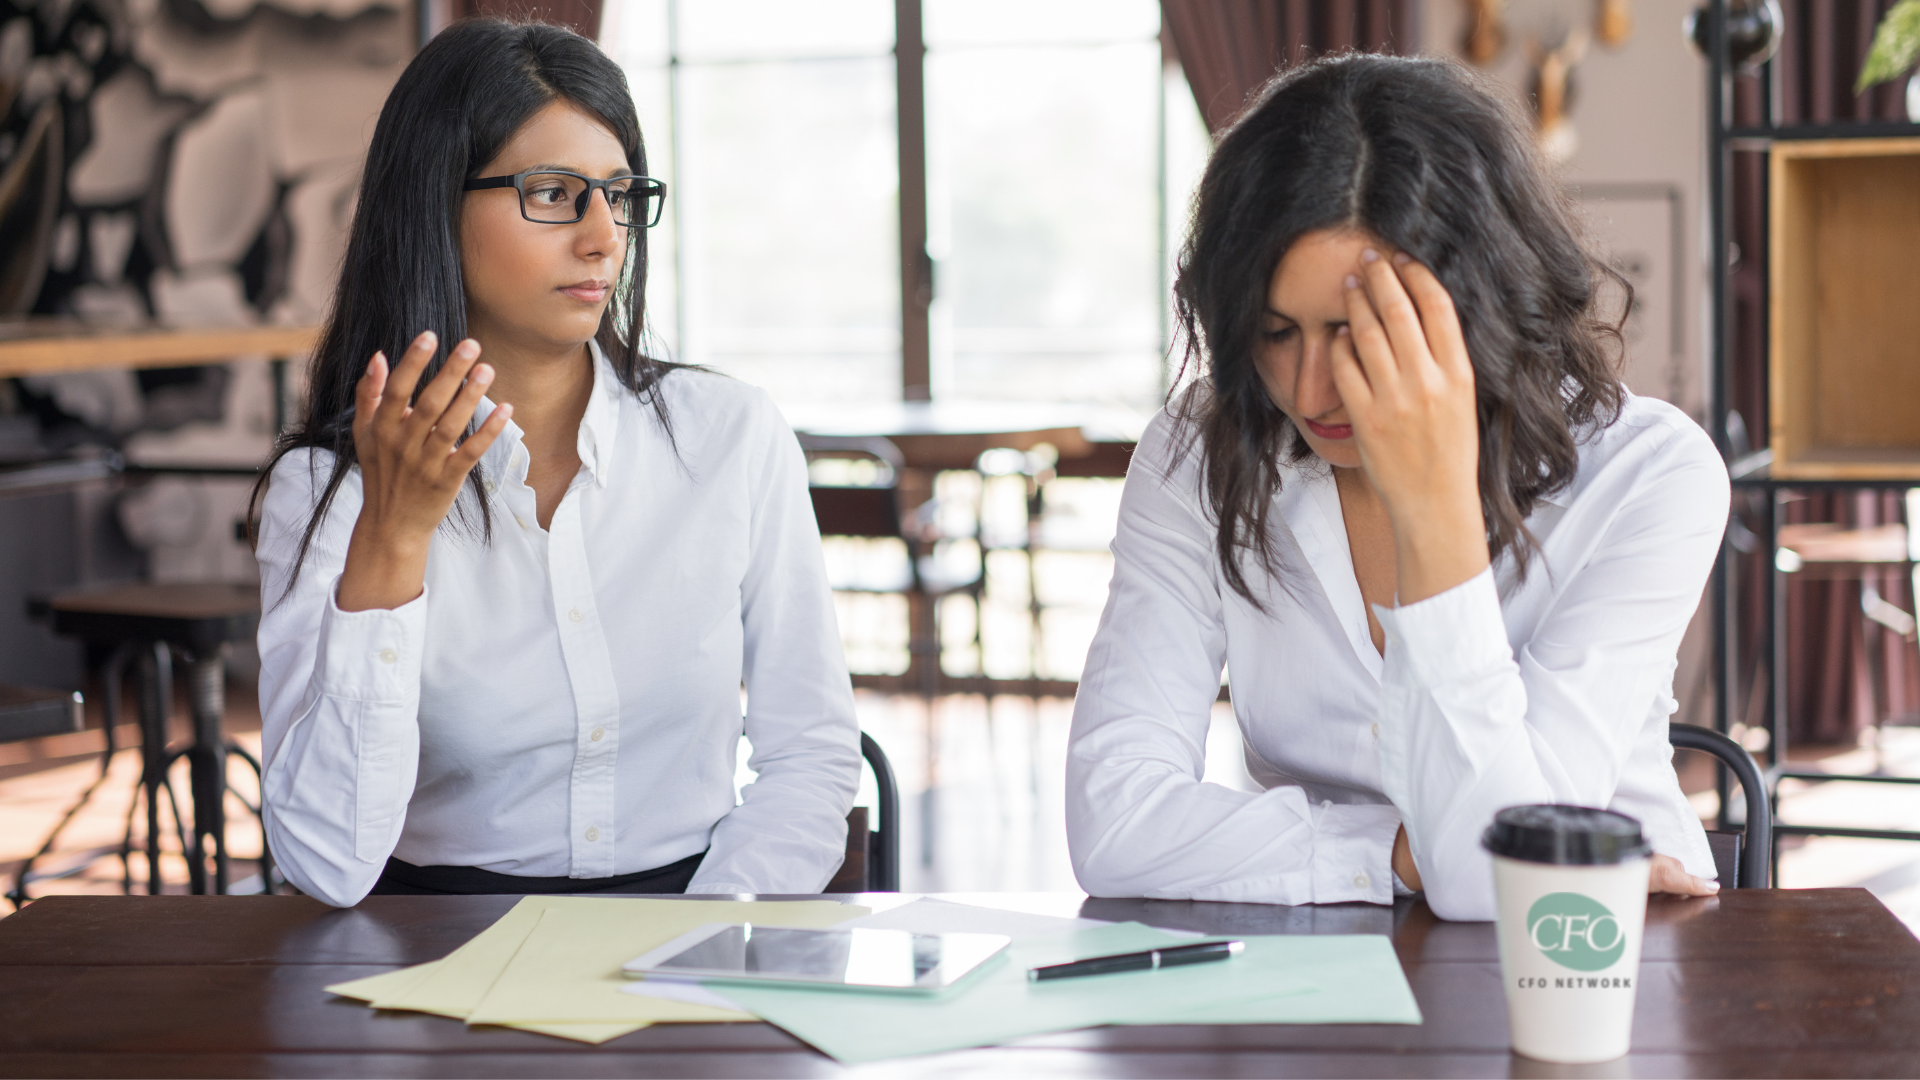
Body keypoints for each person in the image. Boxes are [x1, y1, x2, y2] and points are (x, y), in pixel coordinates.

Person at [1065, 54, 1725, 921]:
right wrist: (1399, 851)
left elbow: (1502, 888)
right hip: (1319, 967)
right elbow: (1111, 819)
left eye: (1353, 332)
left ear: (1479, 301)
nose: (1307, 393)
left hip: (1593, 960)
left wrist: (1436, 511)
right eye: (1273, 333)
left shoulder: (1649, 476)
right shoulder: (1201, 451)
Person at [250, 19, 859, 907]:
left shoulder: (730, 437)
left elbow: (810, 756)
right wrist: (395, 535)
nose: (603, 236)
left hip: (700, 922)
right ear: (435, 205)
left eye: (619, 194)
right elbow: (326, 864)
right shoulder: (328, 488)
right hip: (435, 948)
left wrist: (712, 934)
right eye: (552, 192)